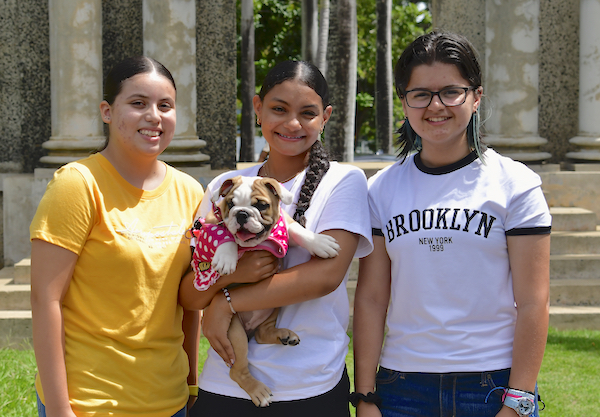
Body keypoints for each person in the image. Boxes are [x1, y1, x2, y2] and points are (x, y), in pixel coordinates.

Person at [353, 31, 552, 417]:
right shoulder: (380, 189)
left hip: (491, 386)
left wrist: (519, 400)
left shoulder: (515, 184)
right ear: (405, 102)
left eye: (451, 91)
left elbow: (533, 301)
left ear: (476, 97)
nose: (435, 105)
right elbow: (372, 299)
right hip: (401, 386)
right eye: (421, 94)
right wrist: (365, 396)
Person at [179, 60, 373, 417]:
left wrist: (225, 303)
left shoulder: (343, 182)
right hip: (224, 384)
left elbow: (325, 277)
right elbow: (189, 293)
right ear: (257, 108)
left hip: (309, 385)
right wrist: (234, 276)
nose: (292, 123)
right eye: (278, 109)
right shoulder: (224, 188)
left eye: (308, 113)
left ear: (326, 117)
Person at [30, 56, 204, 417]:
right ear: (107, 112)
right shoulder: (78, 184)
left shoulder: (190, 193)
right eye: (138, 103)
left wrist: (191, 383)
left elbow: (186, 302)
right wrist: (61, 409)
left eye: (165, 105)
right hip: (90, 402)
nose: (154, 116)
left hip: (169, 401)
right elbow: (45, 302)